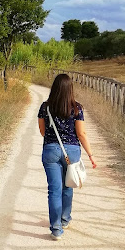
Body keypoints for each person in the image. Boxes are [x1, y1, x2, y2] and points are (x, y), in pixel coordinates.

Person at [37, 73, 97, 240]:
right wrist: (91, 155)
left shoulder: (45, 107)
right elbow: (81, 133)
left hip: (50, 150)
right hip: (71, 151)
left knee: (54, 190)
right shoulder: (77, 108)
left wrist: (53, 140)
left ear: (54, 88)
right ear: (70, 88)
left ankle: (56, 230)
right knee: (68, 186)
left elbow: (42, 131)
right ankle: (64, 219)